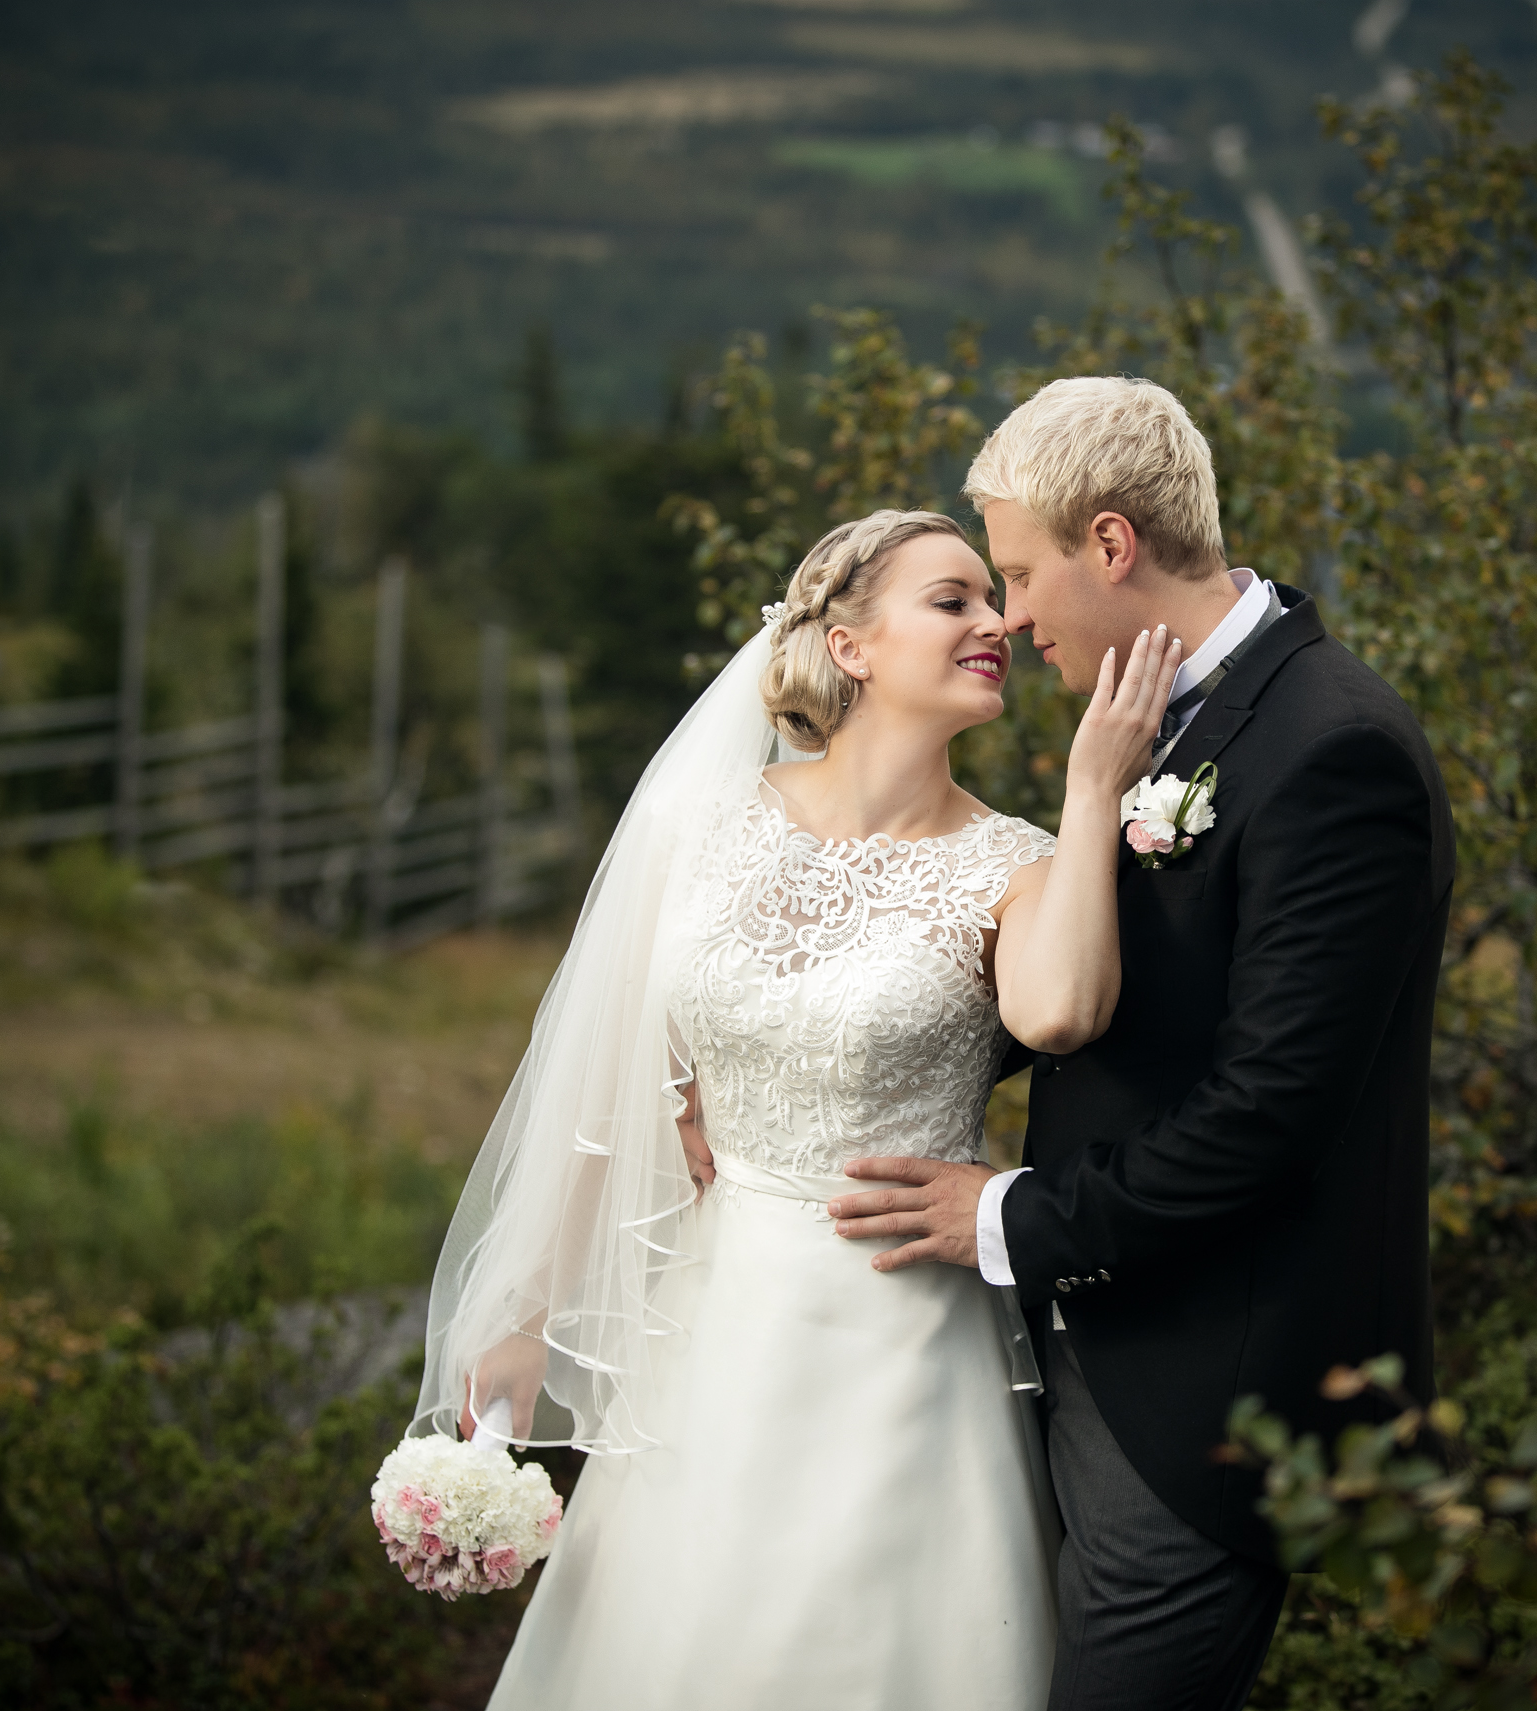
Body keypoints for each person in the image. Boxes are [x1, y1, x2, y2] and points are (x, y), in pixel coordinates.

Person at [413, 505, 1181, 1709]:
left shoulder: (1016, 864)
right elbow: (610, 1088)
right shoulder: (700, 824)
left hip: (903, 1337)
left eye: (994, 598)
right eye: (954, 599)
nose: (996, 622)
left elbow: (1062, 1012)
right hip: (711, 1325)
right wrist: (525, 1310)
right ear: (849, 644)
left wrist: (1094, 793)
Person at [827, 376, 1455, 1711]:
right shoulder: (1160, 717)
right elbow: (1107, 996)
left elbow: (1271, 1111)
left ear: (1109, 542)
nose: (1007, 618)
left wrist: (1009, 1215)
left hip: (1205, 1398)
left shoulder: (1331, 748)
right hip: (1083, 1352)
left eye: (1016, 573)